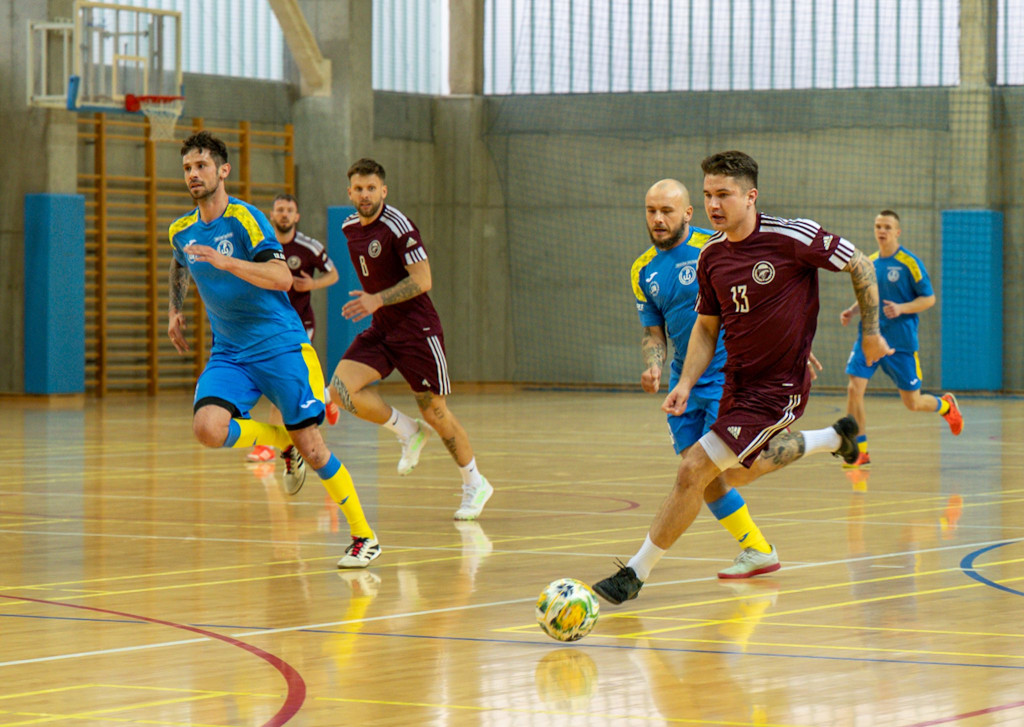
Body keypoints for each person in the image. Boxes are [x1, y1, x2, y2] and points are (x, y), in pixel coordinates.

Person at [594, 150, 893, 604]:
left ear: (751, 196)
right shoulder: (712, 254)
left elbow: (860, 264)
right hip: (735, 381)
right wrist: (684, 383)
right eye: (709, 195)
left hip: (778, 387)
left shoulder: (793, 236)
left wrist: (871, 332)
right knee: (725, 477)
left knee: (695, 470)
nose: (715, 205)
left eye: (724, 195)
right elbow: (706, 328)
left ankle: (633, 575)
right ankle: (834, 440)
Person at [167, 131, 380, 568]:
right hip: (229, 353)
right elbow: (179, 260)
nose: (194, 174)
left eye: (202, 165)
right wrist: (175, 309)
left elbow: (282, 277)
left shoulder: (247, 219)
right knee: (207, 427)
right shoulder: (181, 229)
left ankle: (364, 536)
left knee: (314, 449)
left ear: (223, 170)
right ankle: (282, 440)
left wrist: (228, 262)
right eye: (188, 167)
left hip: (281, 346)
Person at [633, 178, 861, 579]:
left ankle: (639, 571)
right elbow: (655, 332)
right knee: (703, 477)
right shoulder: (643, 269)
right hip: (685, 379)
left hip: (730, 374)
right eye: (651, 210)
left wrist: (792, 343)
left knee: (716, 471)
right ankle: (759, 548)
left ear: (688, 213)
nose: (657, 219)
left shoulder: (718, 243)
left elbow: (769, 295)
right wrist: (655, 363)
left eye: (666, 211)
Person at [329, 158, 494, 521]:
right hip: (382, 328)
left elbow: (423, 280)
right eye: (358, 188)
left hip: (418, 331)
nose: (365, 194)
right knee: (340, 390)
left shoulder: (399, 226)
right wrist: (374, 304)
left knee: (435, 411)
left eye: (372, 188)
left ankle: (475, 483)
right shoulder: (348, 227)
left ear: (383, 191)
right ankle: (407, 431)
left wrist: (377, 299)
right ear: (349, 192)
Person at [840, 209, 963, 468]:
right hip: (870, 339)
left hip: (901, 344)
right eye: (877, 226)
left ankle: (945, 405)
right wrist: (852, 311)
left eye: (886, 227)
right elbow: (868, 296)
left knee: (913, 402)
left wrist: (902, 308)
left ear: (897, 232)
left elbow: (929, 299)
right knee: (854, 388)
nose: (881, 231)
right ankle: (859, 450)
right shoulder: (870, 262)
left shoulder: (910, 263)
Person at [248, 193, 342, 463]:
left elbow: (333, 274)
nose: (285, 214)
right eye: (280, 209)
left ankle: (266, 445)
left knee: (283, 379)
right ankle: (324, 397)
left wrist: (312, 285)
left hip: (300, 325)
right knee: (288, 380)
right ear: (272, 214)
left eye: (290, 210)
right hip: (269, 325)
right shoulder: (261, 246)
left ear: (297, 216)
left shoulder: (308, 247)